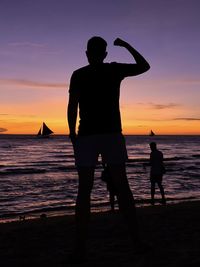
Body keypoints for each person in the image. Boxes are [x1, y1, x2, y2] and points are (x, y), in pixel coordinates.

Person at [67, 36, 150, 262]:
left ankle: (81, 249)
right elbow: (144, 65)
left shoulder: (83, 73)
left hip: (93, 136)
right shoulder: (110, 70)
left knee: (86, 191)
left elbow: (72, 105)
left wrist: (73, 134)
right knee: (120, 187)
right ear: (103, 54)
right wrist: (126, 45)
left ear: (89, 53)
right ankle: (135, 242)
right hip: (107, 135)